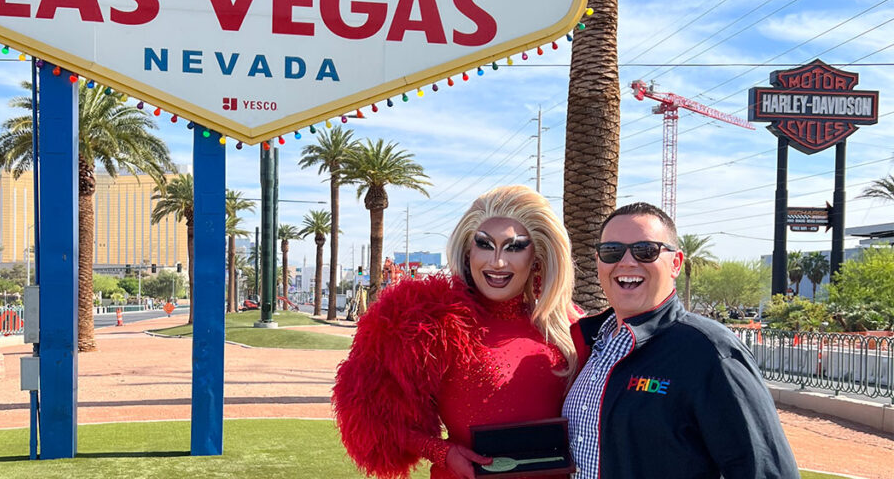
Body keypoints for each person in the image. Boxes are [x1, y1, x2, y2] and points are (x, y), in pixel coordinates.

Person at [333, 185, 584, 479]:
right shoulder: (428, 323)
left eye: (514, 247)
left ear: (537, 256)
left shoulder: (566, 325)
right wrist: (442, 452)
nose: (497, 262)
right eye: (485, 245)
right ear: (468, 251)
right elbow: (371, 415)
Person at [563, 202, 799, 479]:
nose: (627, 262)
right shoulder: (591, 344)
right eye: (612, 251)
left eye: (645, 251)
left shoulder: (709, 350)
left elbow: (766, 470)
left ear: (675, 263)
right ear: (599, 262)